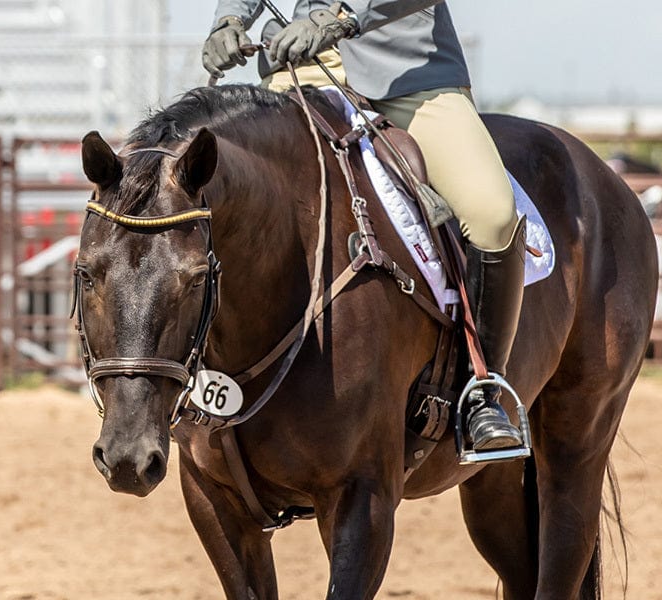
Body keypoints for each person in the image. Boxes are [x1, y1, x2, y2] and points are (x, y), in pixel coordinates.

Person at [202, 1, 526, 453]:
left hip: (408, 75)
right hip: (298, 64)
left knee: (491, 215)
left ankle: (484, 389)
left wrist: (342, 18)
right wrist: (229, 20)